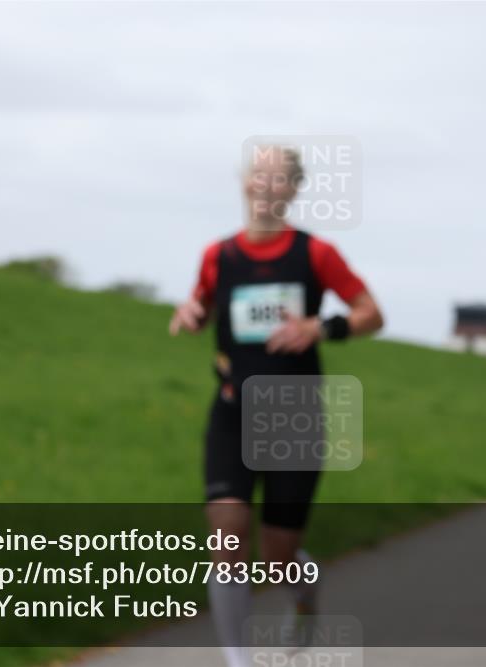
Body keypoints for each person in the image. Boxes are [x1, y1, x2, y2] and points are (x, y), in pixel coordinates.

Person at [169, 146, 383, 667]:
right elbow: (201, 305)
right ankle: (239, 661)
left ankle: (305, 594)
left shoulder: (315, 255)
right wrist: (191, 312)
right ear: (244, 184)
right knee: (226, 539)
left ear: (292, 189)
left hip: (293, 416)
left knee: (277, 558)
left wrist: (320, 326)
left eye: (277, 177)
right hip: (232, 412)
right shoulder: (217, 256)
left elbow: (371, 313)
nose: (265, 184)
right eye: (257, 174)